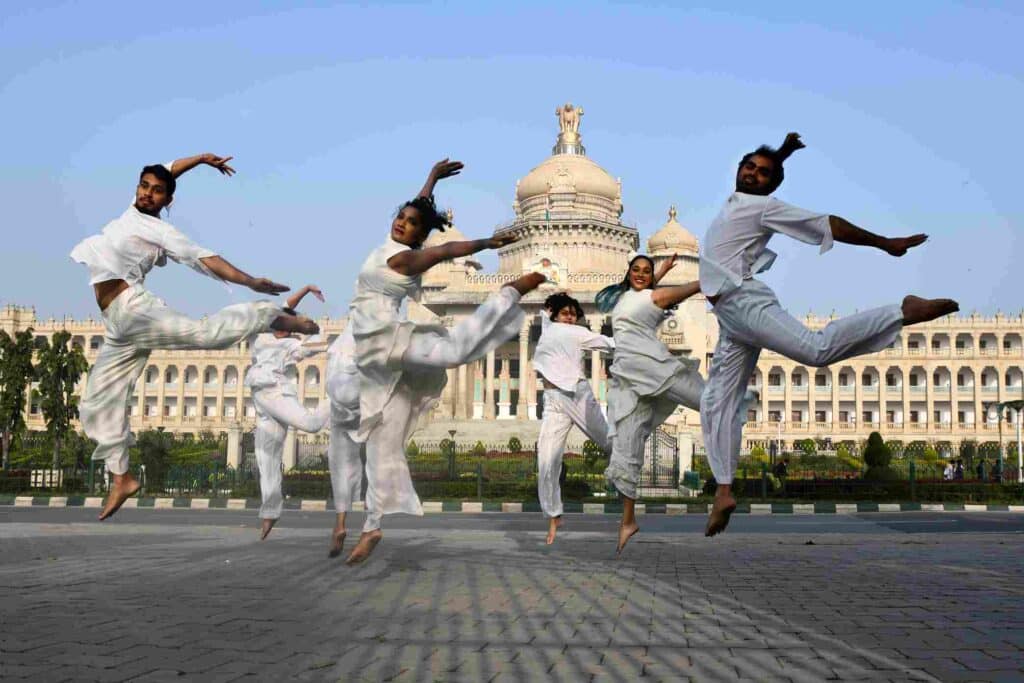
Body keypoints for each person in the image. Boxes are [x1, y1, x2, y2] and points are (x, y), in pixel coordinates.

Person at [699, 133, 959, 537]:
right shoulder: (738, 200)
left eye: (761, 173)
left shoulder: (762, 207)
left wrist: (883, 242)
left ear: (771, 185)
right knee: (715, 401)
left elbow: (826, 225)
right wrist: (779, 155)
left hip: (743, 301)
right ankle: (724, 491)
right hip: (729, 317)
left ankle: (900, 311)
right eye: (748, 166)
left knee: (816, 350)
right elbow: (764, 170)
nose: (752, 173)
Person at [71, 154, 318, 521]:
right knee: (95, 401)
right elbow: (168, 171)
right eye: (144, 187)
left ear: (167, 201)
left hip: (135, 310)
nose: (148, 194)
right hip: (118, 327)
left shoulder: (161, 231)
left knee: (205, 335)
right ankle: (121, 477)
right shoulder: (131, 212)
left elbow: (207, 260)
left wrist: (249, 281)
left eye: (157, 192)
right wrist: (201, 160)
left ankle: (271, 317)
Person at [331, 159, 547, 564]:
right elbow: (422, 209)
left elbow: (446, 249)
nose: (402, 223)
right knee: (380, 438)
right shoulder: (391, 246)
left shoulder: (406, 260)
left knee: (454, 352)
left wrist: (485, 244)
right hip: (369, 351)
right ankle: (372, 525)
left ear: (419, 237)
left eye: (411, 223)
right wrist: (430, 180)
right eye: (401, 216)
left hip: (388, 340)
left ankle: (511, 291)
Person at [597, 253, 710, 555]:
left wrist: (707, 278)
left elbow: (680, 291)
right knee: (626, 446)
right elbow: (643, 295)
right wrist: (661, 270)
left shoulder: (655, 297)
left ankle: (733, 403)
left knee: (704, 400)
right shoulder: (628, 297)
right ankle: (628, 520)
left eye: (646, 271)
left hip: (650, 365)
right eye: (637, 270)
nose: (641, 274)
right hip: (627, 377)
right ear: (630, 272)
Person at [246, 285, 331, 541]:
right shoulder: (260, 335)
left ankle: (335, 396)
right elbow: (287, 304)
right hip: (261, 399)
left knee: (311, 425)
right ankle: (270, 512)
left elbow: (314, 346)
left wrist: (317, 332)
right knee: (266, 458)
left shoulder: (292, 345)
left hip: (276, 393)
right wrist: (305, 289)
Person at [533, 292, 614, 545]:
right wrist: (552, 304)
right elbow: (545, 314)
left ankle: (632, 445)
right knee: (546, 463)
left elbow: (608, 343)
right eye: (564, 313)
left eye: (573, 314)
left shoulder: (574, 332)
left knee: (609, 442)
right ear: (554, 314)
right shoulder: (548, 328)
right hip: (553, 401)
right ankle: (554, 515)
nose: (569, 318)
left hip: (576, 395)